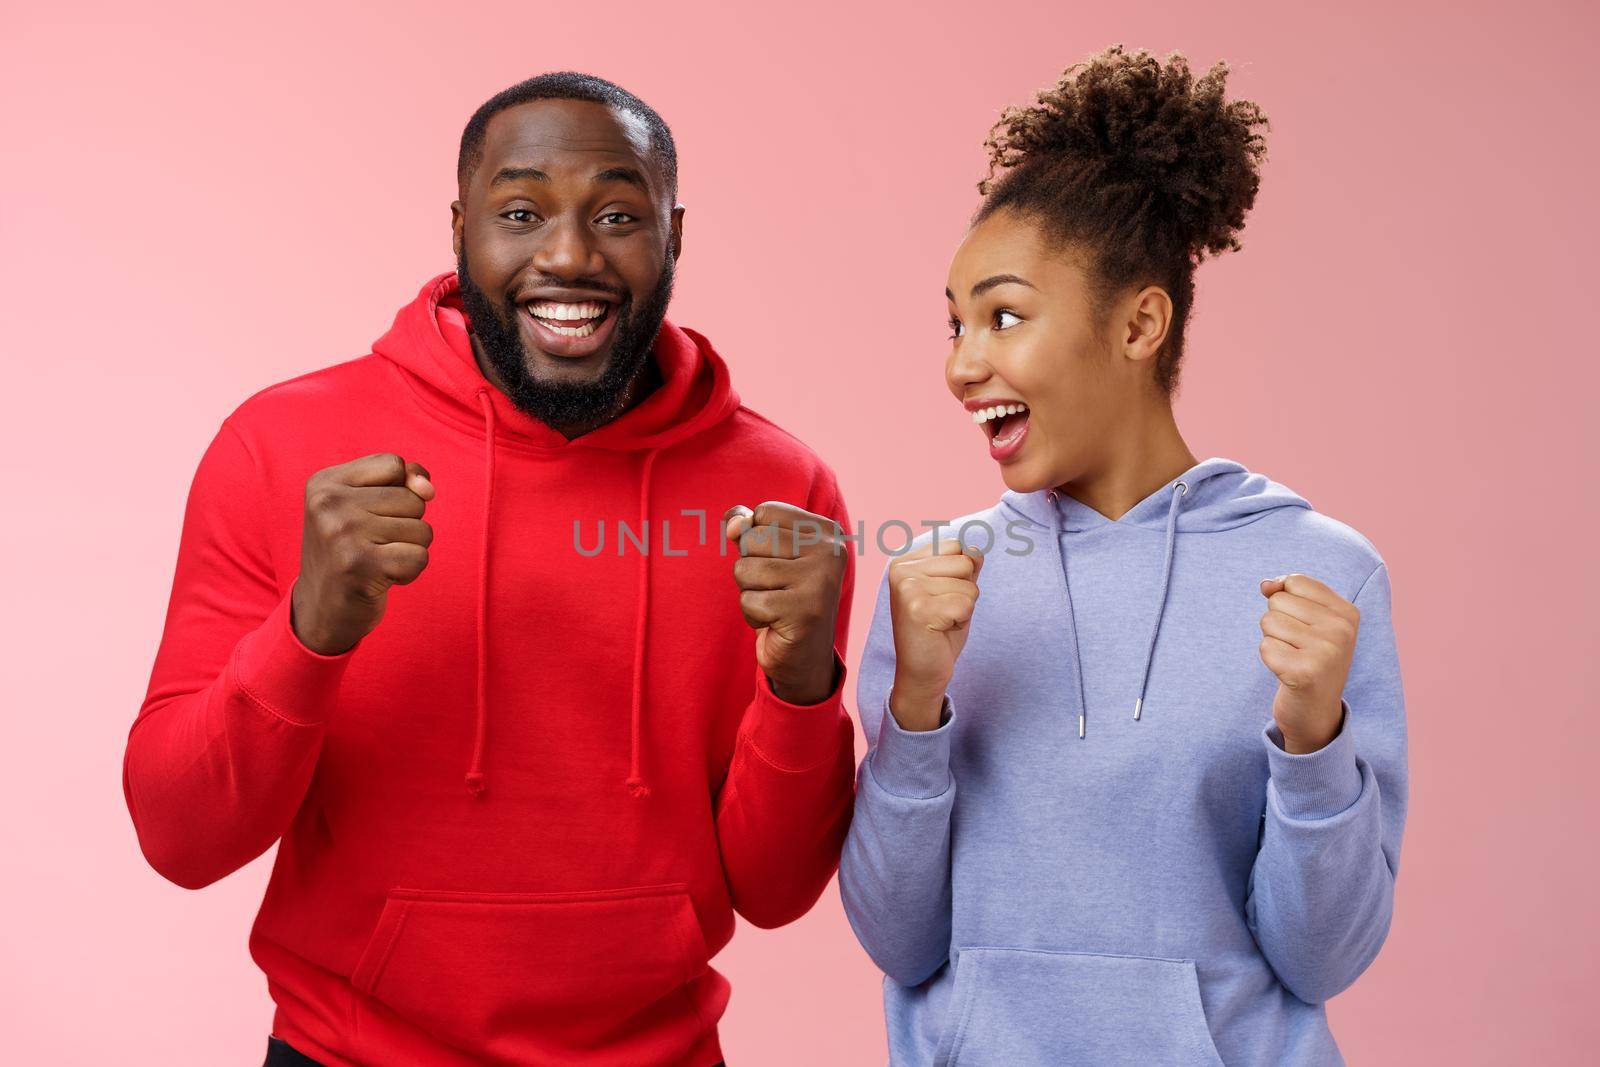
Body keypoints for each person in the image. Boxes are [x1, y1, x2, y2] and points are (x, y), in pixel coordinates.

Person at [123, 72, 857, 1067]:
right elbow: (179, 835)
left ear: (675, 237)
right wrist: (308, 632)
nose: (569, 255)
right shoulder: (283, 447)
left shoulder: (779, 489)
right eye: (521, 212)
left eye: (616, 215)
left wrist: (802, 683)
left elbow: (773, 892)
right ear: (461, 229)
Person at [839, 46, 1408, 1066]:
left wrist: (1315, 736)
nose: (964, 364)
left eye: (1005, 315)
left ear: (1140, 321)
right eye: (956, 322)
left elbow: (1320, 959)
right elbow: (896, 938)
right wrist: (914, 708)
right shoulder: (934, 583)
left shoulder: (1320, 573)